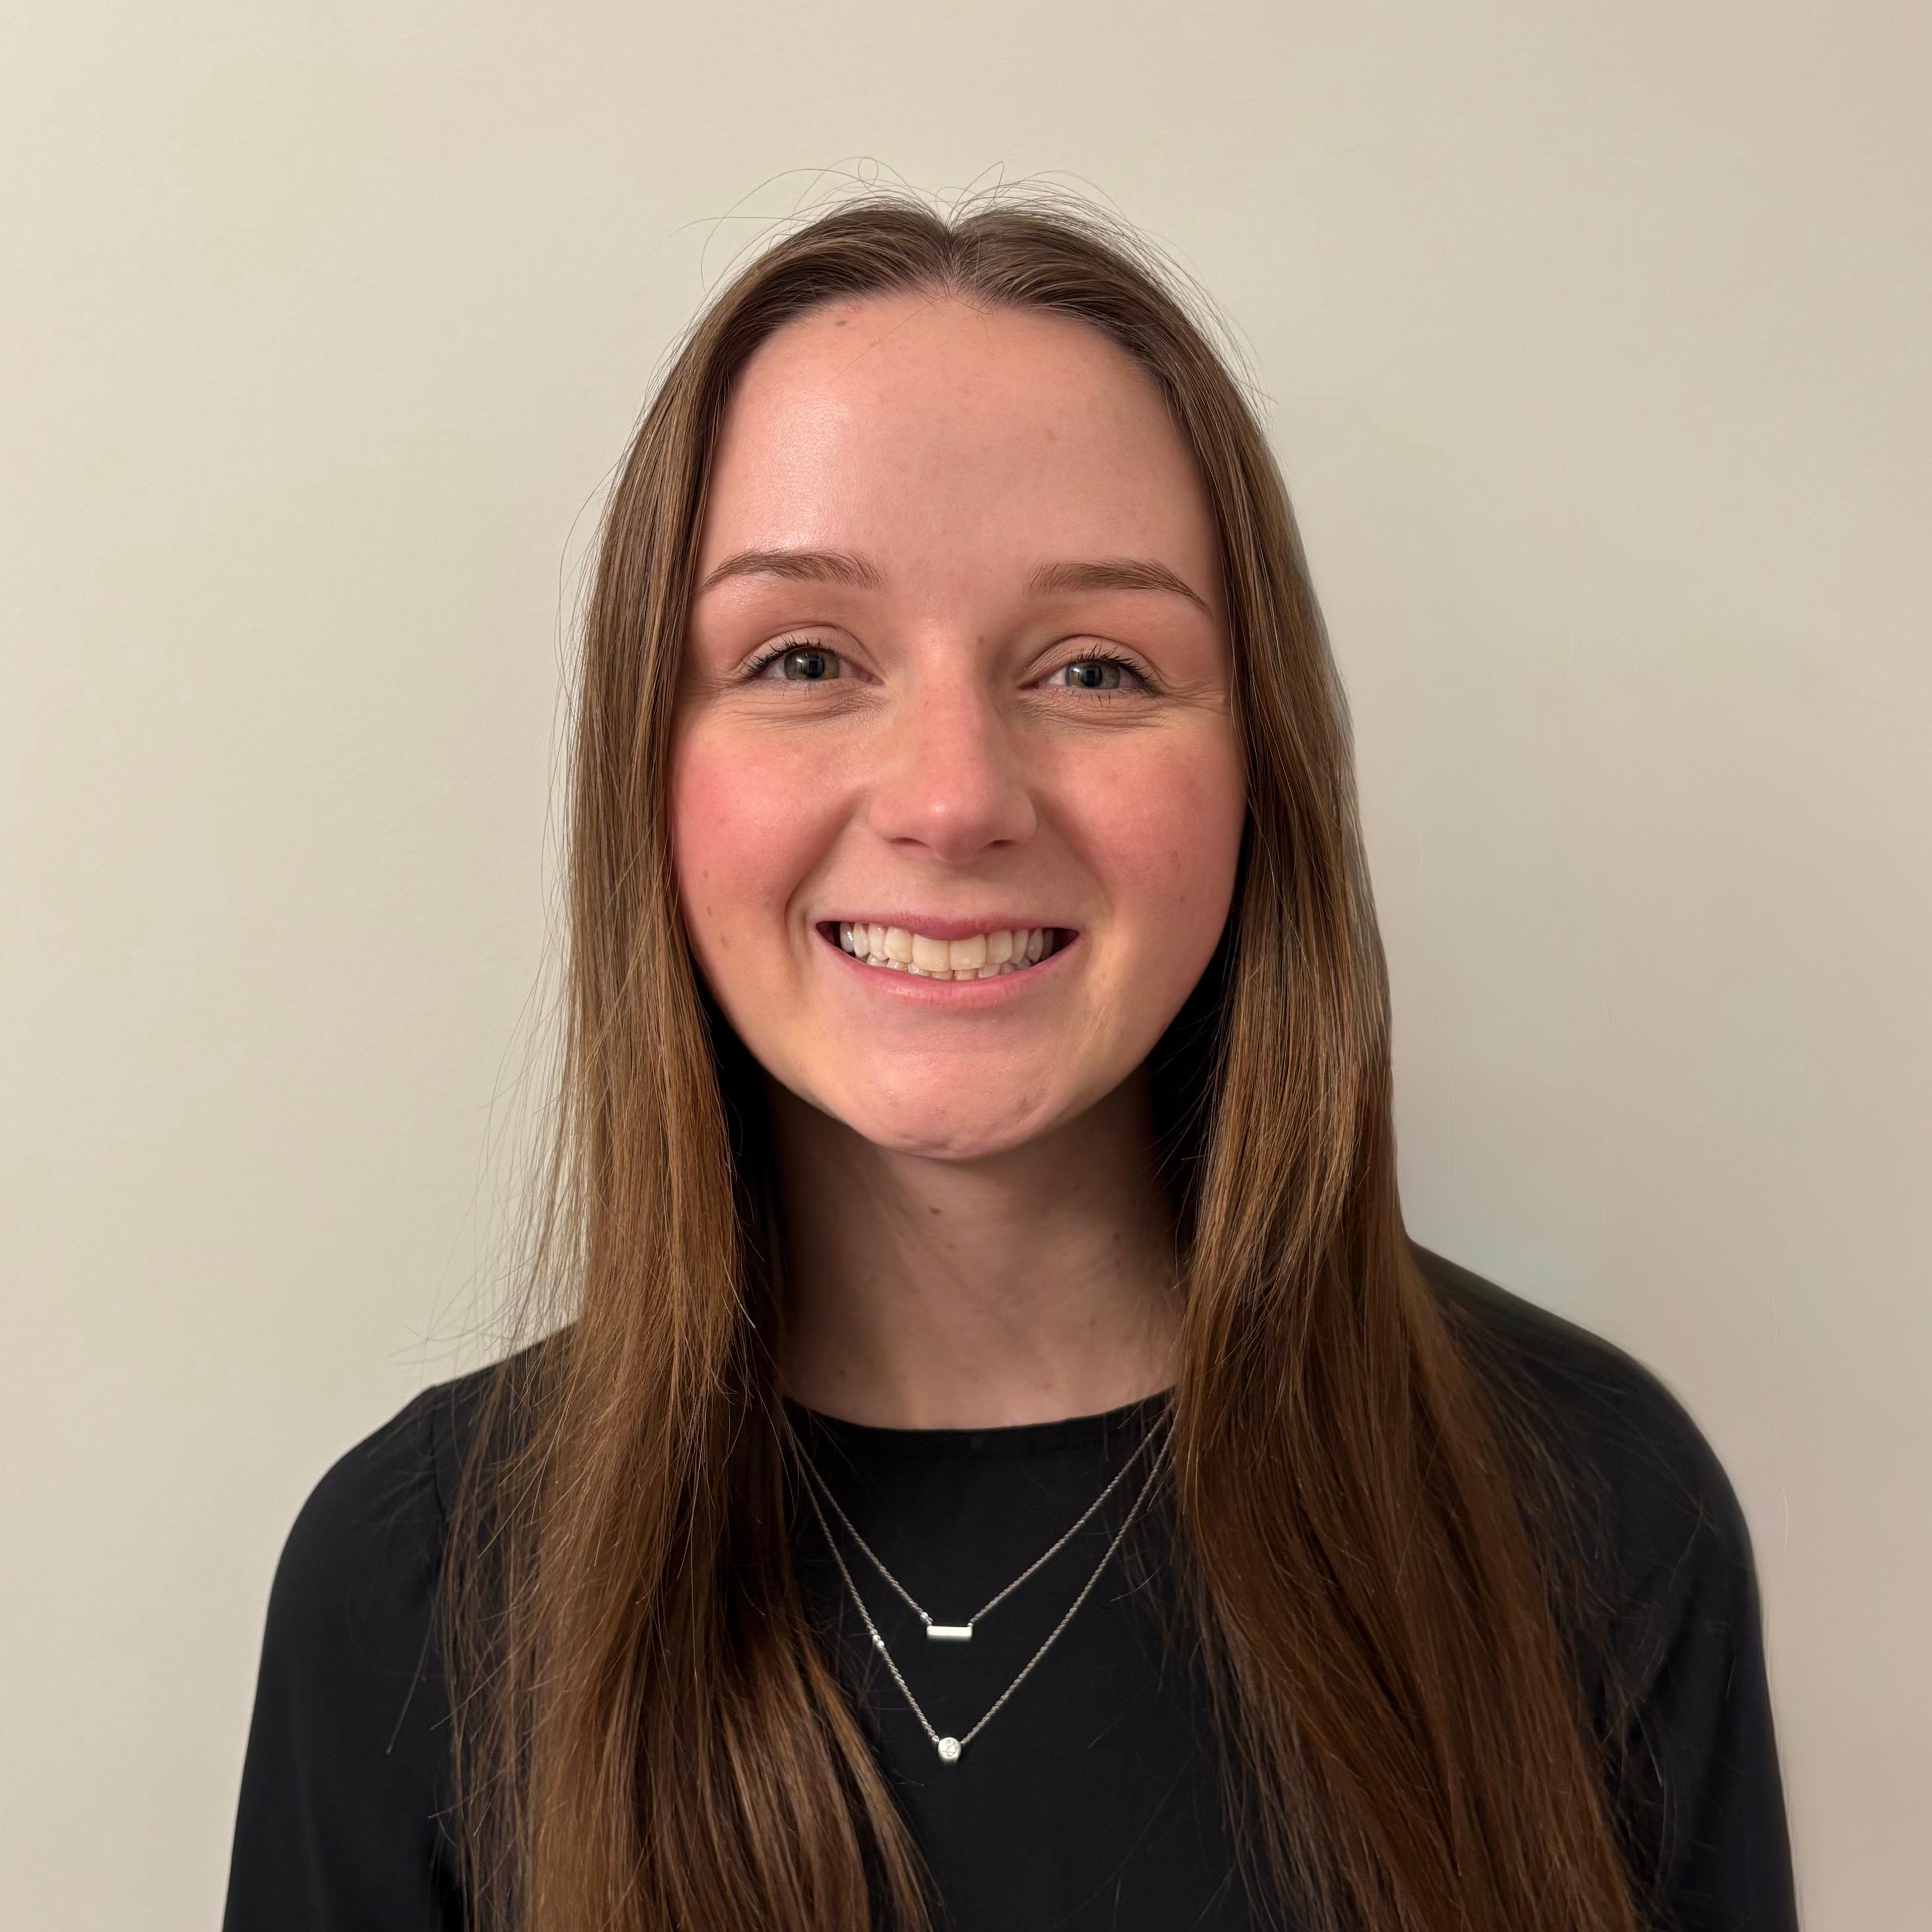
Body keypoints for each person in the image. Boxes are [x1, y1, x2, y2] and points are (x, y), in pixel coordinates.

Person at [222, 195, 1797, 1932]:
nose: (954, 796)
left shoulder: (1589, 1512)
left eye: (1095, 668)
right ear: (646, 768)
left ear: (1257, 771)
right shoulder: (414, 1586)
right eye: (804, 659)